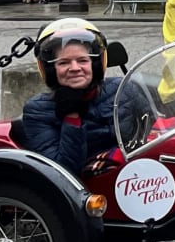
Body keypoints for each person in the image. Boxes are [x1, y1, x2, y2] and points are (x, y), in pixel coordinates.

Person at [20, 17, 143, 176]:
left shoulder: (124, 89)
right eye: (63, 62)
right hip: (88, 187)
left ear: (96, 64)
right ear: (50, 70)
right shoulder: (37, 111)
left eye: (82, 60)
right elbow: (62, 172)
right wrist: (71, 117)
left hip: (139, 178)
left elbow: (156, 132)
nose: (75, 68)